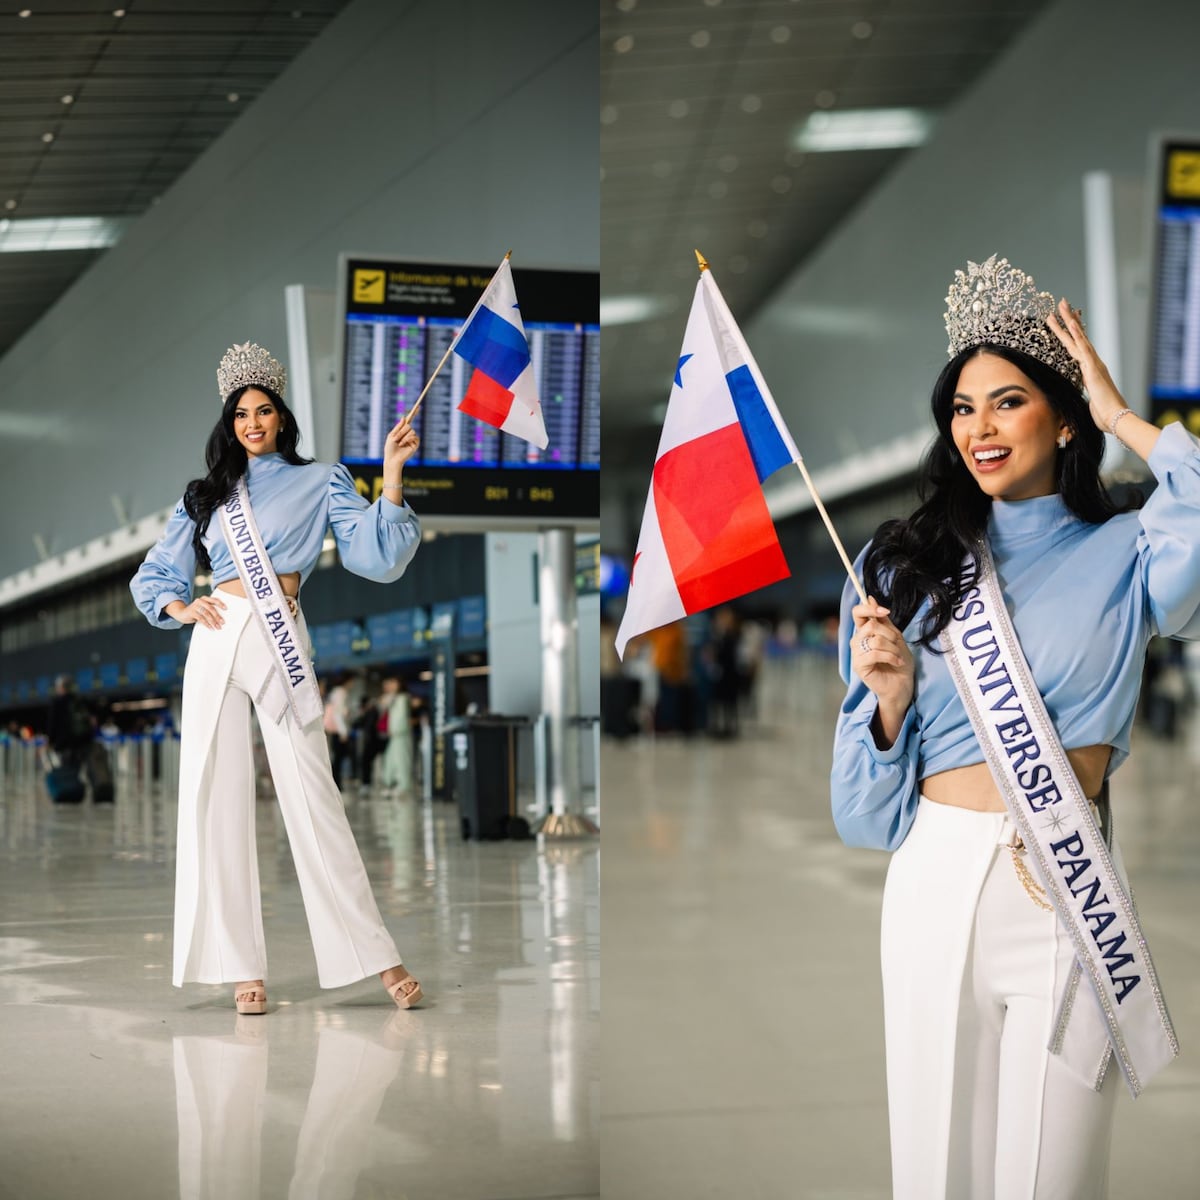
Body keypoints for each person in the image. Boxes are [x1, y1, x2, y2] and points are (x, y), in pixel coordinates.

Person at [831, 256, 1200, 1198]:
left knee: (1055, 1179)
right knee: (935, 1167)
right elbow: (862, 817)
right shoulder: (901, 564)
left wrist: (1124, 416)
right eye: (961, 409)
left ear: (1062, 418)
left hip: (1064, 885)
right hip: (933, 876)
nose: (979, 430)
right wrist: (889, 702)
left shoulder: (1132, 552)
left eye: (1007, 402)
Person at [131, 341, 424, 1015]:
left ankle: (379, 958)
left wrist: (393, 474)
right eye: (241, 415)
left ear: (283, 418)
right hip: (215, 640)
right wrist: (180, 606)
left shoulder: (324, 480)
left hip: (281, 635)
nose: (253, 423)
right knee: (217, 798)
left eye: (264, 411)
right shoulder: (206, 496)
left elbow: (374, 555)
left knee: (313, 796)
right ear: (230, 424)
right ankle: (240, 967)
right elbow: (155, 575)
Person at [378, 676, 413, 793]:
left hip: (400, 734)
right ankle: (392, 783)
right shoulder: (394, 698)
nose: (391, 686)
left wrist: (396, 730)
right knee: (391, 759)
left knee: (402, 759)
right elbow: (382, 704)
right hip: (394, 735)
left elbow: (401, 717)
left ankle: (403, 785)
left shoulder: (403, 698)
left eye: (393, 683)